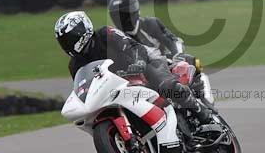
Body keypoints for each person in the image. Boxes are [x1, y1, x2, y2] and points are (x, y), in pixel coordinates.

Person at [54, 11, 212, 128]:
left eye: (70, 39)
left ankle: (201, 112)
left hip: (145, 65)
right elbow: (84, 87)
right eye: (63, 41)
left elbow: (132, 46)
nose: (67, 44)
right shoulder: (74, 65)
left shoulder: (104, 34)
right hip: (117, 88)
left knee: (166, 86)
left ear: (83, 31)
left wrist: (137, 62)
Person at [107, 0, 184, 59]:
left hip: (163, 66)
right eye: (117, 16)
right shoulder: (114, 35)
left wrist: (177, 57)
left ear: (134, 13)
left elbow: (173, 41)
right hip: (134, 73)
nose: (121, 20)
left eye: (124, 16)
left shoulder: (151, 24)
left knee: (192, 61)